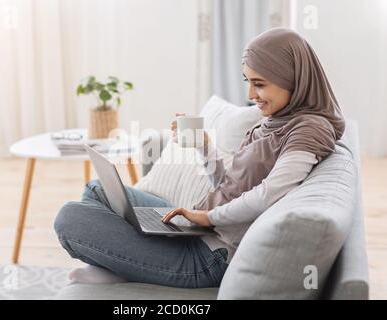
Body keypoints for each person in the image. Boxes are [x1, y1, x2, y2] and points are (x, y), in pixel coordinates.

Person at [54, 28, 345, 289]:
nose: (250, 94)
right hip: (201, 228)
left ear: (292, 78)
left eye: (260, 84)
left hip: (211, 255)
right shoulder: (276, 120)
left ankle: (124, 264)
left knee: (70, 217)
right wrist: (203, 145)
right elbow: (228, 185)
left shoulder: (309, 128)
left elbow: (269, 194)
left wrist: (207, 217)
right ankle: (126, 261)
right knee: (97, 189)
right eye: (248, 81)